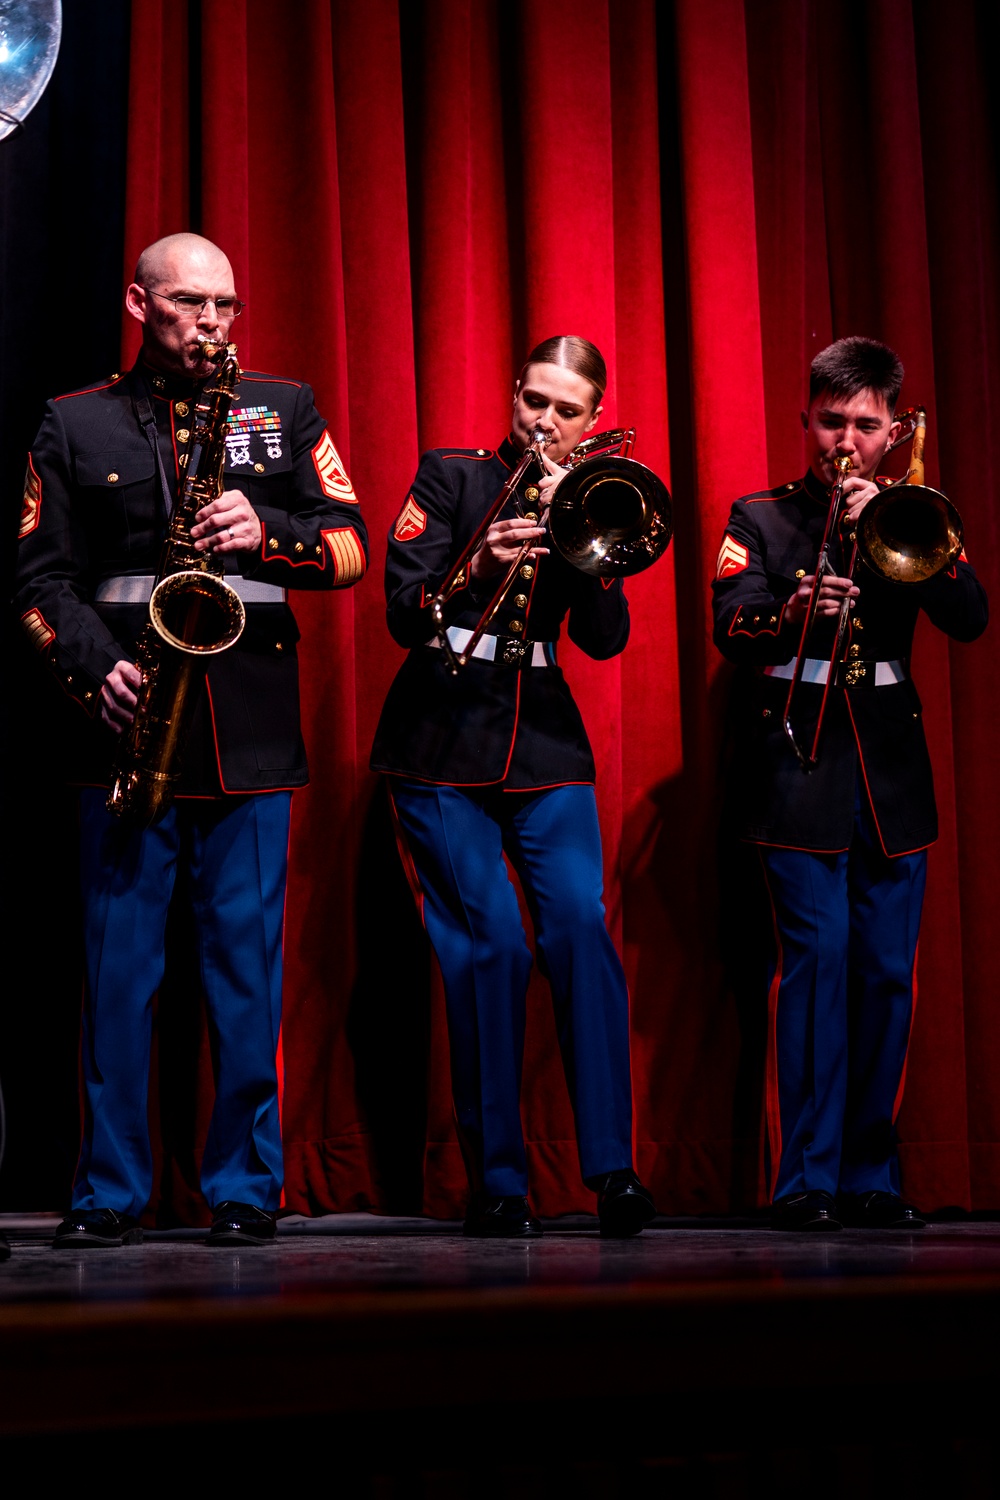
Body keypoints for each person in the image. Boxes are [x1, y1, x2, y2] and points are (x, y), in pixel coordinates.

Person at [13, 233, 368, 1248]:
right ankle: (110, 1193)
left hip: (248, 735)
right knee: (118, 976)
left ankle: (245, 1189)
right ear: (139, 303)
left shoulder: (284, 406)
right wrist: (96, 671)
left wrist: (276, 534)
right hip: (124, 731)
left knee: (246, 976)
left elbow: (349, 545)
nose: (213, 324)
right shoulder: (73, 424)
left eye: (226, 306)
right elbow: (37, 577)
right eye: (189, 304)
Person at [370, 335, 656, 1238]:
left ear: (592, 421)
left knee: (577, 927)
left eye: (566, 410)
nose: (545, 420)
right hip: (440, 733)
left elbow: (604, 640)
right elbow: (399, 609)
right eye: (535, 400)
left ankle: (613, 1170)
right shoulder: (451, 477)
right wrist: (479, 567)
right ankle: (498, 1178)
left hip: (543, 740)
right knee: (489, 945)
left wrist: (593, 545)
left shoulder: (589, 492)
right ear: (514, 394)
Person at [712, 336, 987, 1232]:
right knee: (816, 971)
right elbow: (728, 625)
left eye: (865, 426)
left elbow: (971, 618)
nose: (845, 443)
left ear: (894, 429)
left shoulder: (914, 514)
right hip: (797, 764)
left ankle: (872, 1173)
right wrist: (784, 612)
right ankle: (807, 1180)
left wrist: (904, 527)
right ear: (806, 422)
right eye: (831, 423)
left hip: (890, 776)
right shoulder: (760, 516)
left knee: (884, 978)